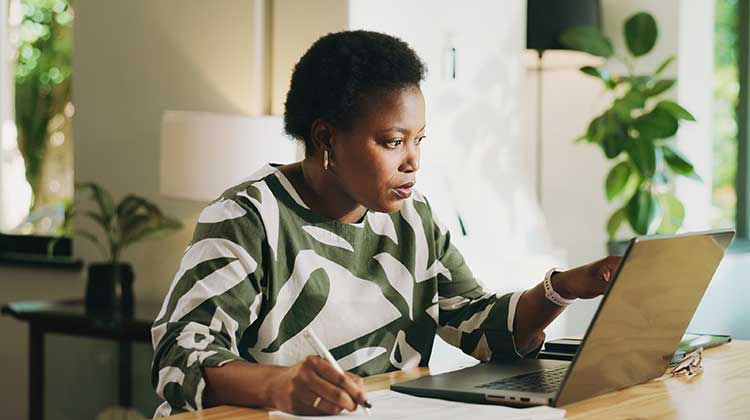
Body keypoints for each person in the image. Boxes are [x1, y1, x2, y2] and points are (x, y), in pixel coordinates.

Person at [150, 30, 621, 418]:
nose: (413, 161)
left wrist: (563, 288)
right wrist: (277, 386)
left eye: (419, 140)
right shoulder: (248, 217)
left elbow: (478, 327)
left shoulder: (414, 221)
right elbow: (178, 358)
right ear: (325, 137)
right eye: (393, 141)